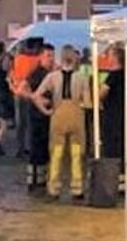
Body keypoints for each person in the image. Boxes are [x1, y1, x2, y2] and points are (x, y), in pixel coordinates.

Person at [33, 45, 93, 202]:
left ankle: (53, 188)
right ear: (74, 58)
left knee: (56, 152)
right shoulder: (82, 78)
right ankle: (77, 188)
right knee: (76, 153)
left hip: (57, 115)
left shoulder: (52, 77)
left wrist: (46, 111)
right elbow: (87, 103)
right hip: (76, 116)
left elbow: (36, 95)